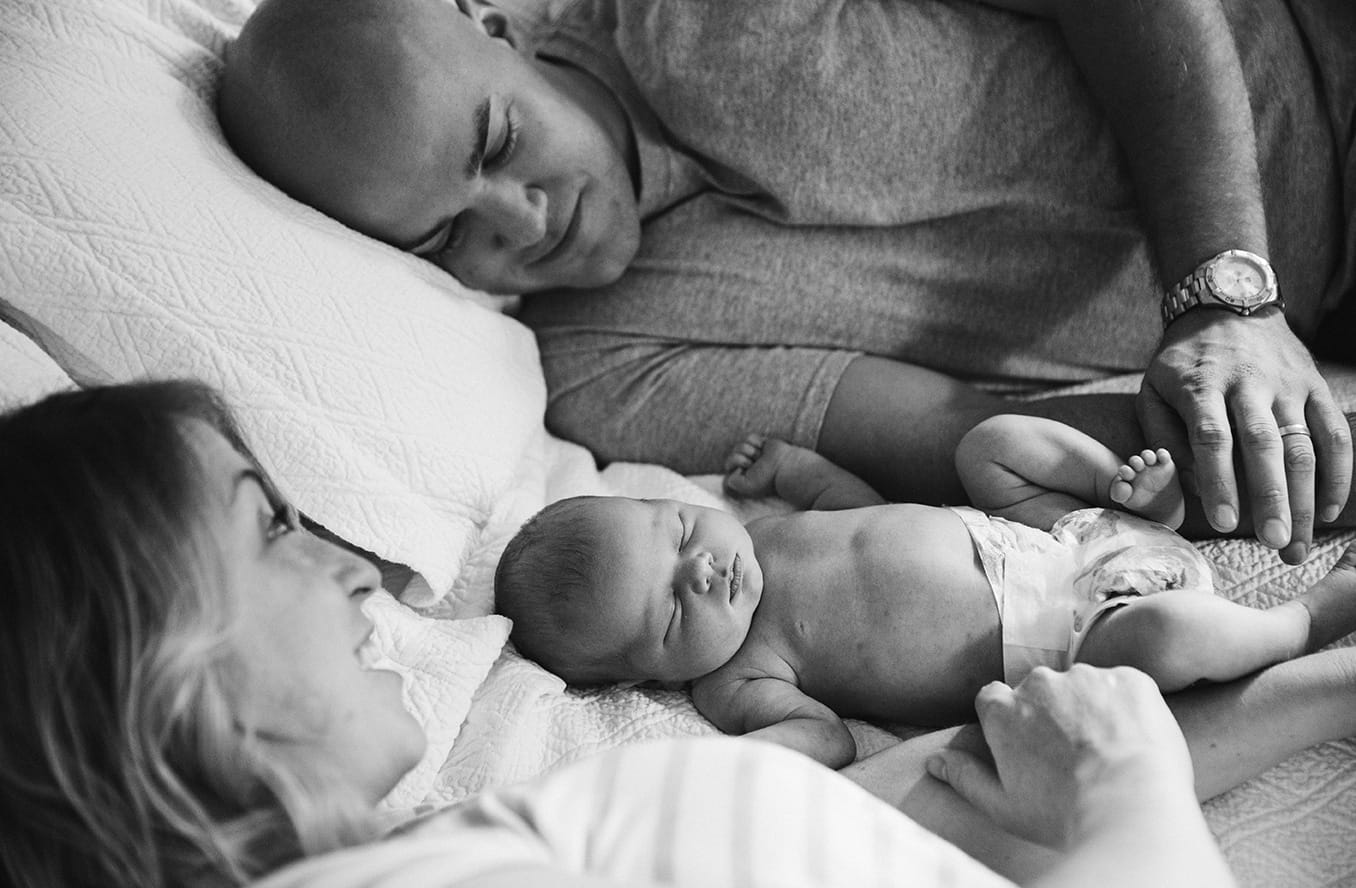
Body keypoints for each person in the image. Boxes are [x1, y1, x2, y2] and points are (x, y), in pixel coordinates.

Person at [216, 0, 1356, 567]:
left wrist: (1221, 295)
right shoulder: (605, 368)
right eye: (446, 240)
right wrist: (1231, 441)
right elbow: (975, 430)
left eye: (498, 143)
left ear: (486, 21)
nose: (524, 222)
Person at [8, 378, 1306, 888]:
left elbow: (905, 803)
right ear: (151, 665)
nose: (352, 571)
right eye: (267, 529)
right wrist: (1136, 814)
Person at [493, 417, 1356, 766]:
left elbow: (862, 512)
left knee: (990, 447)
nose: (705, 569)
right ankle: (1300, 619)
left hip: (1056, 535)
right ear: (647, 675)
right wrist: (753, 758)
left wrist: (799, 470)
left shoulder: (754, 534)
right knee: (1164, 639)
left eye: (680, 534)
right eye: (677, 607)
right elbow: (824, 742)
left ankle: (1131, 496)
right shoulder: (733, 679)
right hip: (1082, 633)